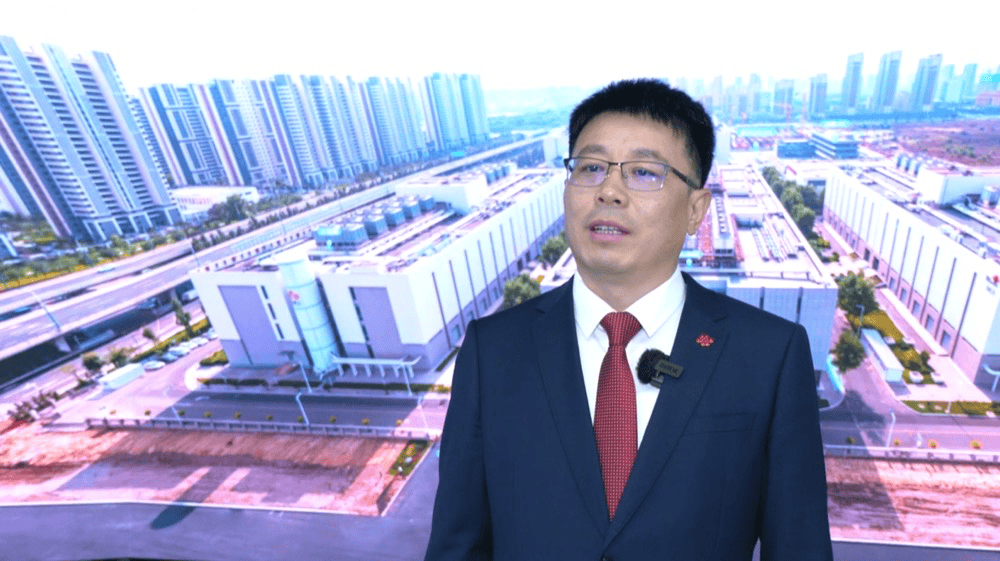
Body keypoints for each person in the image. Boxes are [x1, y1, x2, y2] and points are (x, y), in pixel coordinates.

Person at [424, 79, 832, 561]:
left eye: (643, 172)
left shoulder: (769, 355)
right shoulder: (492, 351)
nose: (609, 191)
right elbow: (457, 545)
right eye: (591, 168)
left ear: (696, 210)